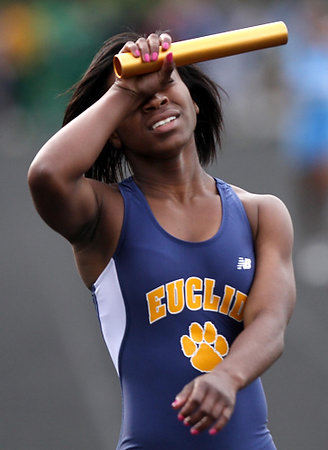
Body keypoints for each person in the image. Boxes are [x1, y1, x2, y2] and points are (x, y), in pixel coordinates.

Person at [28, 31, 296, 450]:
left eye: (166, 82)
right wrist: (124, 85)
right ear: (112, 132)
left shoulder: (262, 213)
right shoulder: (105, 216)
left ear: (196, 101)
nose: (154, 99)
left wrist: (227, 375)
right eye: (139, 98)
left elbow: (270, 323)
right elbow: (47, 175)